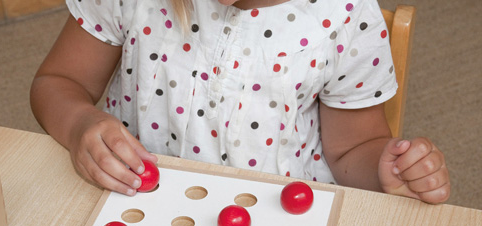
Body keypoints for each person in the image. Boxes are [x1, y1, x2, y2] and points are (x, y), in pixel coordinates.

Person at [30, 0, 450, 203]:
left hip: (282, 219)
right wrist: (78, 123)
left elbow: (353, 148)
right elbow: (57, 81)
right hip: (135, 201)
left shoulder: (345, 14)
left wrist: (386, 170)